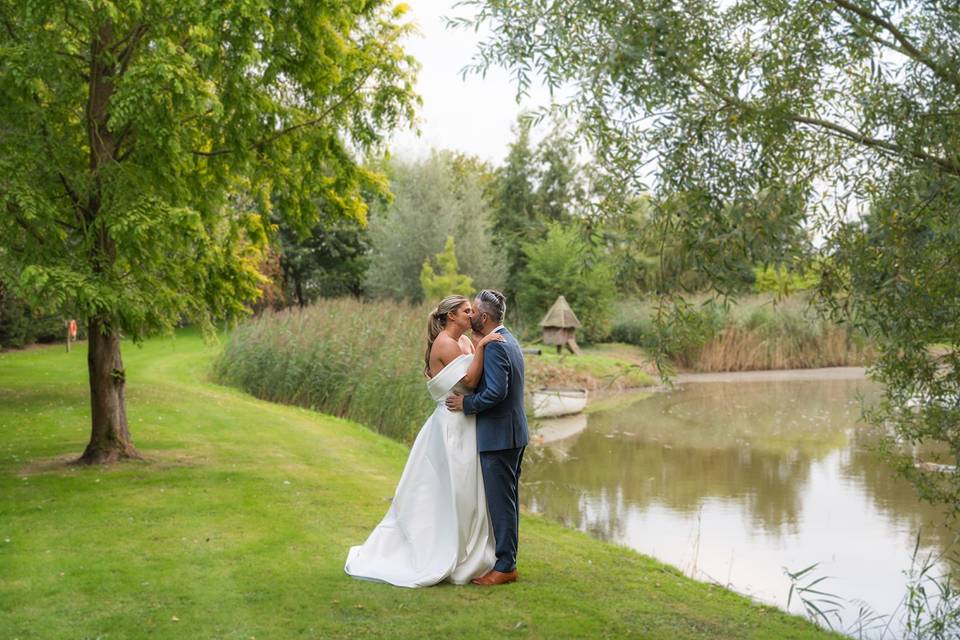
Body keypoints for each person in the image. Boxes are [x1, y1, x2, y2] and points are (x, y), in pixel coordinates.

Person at [344, 294, 503, 587]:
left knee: (469, 489)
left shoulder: (466, 342)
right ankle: (441, 550)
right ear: (452, 316)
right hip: (451, 426)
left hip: (468, 421)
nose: (473, 315)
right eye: (467, 311)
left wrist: (477, 346)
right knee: (449, 489)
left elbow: (474, 381)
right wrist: (482, 347)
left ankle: (471, 551)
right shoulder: (444, 343)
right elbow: (468, 382)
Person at [445, 289, 528, 586]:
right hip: (513, 433)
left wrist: (465, 404)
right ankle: (506, 560)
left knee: (501, 502)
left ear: (484, 316)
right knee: (508, 500)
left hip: (500, 436)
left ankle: (505, 566)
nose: (471, 317)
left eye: (474, 312)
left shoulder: (494, 347)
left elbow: (496, 392)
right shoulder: (510, 340)